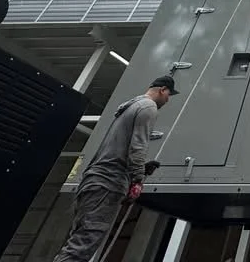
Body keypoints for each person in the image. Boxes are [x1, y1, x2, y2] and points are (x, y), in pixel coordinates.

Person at [53, 75, 178, 262]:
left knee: (79, 241)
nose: (168, 100)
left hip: (95, 182)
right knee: (83, 245)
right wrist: (137, 180)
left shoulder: (130, 107)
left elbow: (120, 148)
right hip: (107, 183)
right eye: (169, 95)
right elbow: (138, 145)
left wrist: (141, 169)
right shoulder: (149, 107)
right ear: (162, 90)